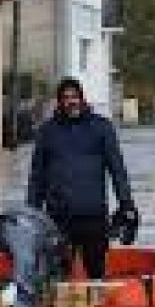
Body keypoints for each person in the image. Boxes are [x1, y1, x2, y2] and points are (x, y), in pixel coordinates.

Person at [28, 77, 138, 280]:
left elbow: (117, 170)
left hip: (93, 216)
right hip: (58, 218)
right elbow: (37, 177)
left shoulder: (102, 128)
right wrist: (31, 214)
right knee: (58, 274)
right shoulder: (47, 132)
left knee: (96, 272)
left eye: (75, 97)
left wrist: (127, 205)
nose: (72, 102)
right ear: (59, 102)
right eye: (66, 98)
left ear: (82, 98)